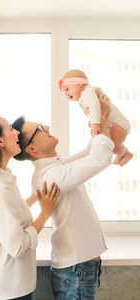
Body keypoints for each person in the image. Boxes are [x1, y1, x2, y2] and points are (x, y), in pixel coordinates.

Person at [12, 97, 114, 300]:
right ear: (31, 150)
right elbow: (99, 159)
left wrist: (99, 117)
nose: (47, 126)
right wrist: (100, 120)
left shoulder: (54, 168)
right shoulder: (50, 177)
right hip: (77, 269)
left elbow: (88, 153)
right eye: (40, 128)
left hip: (78, 267)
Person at [0, 115, 59, 300]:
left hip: (6, 288)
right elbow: (18, 246)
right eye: (10, 129)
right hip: (6, 291)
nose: (16, 133)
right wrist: (45, 213)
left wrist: (33, 199)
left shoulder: (1, 180)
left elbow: (9, 217)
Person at [58, 69, 133, 167]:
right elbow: (95, 110)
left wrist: (95, 123)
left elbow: (95, 105)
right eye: (64, 94)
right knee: (91, 149)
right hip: (109, 125)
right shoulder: (84, 97)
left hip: (118, 124)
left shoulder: (87, 92)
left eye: (67, 89)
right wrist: (93, 120)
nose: (67, 94)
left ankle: (124, 153)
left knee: (113, 147)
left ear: (79, 84)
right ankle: (65, 162)